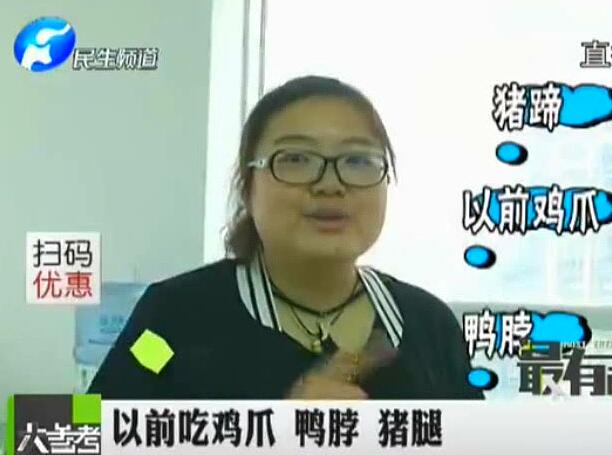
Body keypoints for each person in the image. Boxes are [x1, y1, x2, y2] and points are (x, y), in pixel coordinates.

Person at [88, 75, 484, 400]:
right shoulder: (173, 321)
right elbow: (74, 428)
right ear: (248, 188)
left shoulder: (431, 326)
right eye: (296, 159)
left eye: (358, 160)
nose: (330, 184)